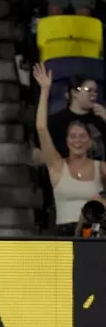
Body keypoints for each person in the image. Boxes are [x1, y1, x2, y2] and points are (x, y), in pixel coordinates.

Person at [33, 63, 106, 236]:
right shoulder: (57, 165)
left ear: (90, 142)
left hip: (94, 236)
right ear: (66, 141)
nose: (77, 141)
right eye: (72, 136)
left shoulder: (100, 167)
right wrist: (45, 90)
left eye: (82, 137)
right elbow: (41, 128)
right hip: (63, 234)